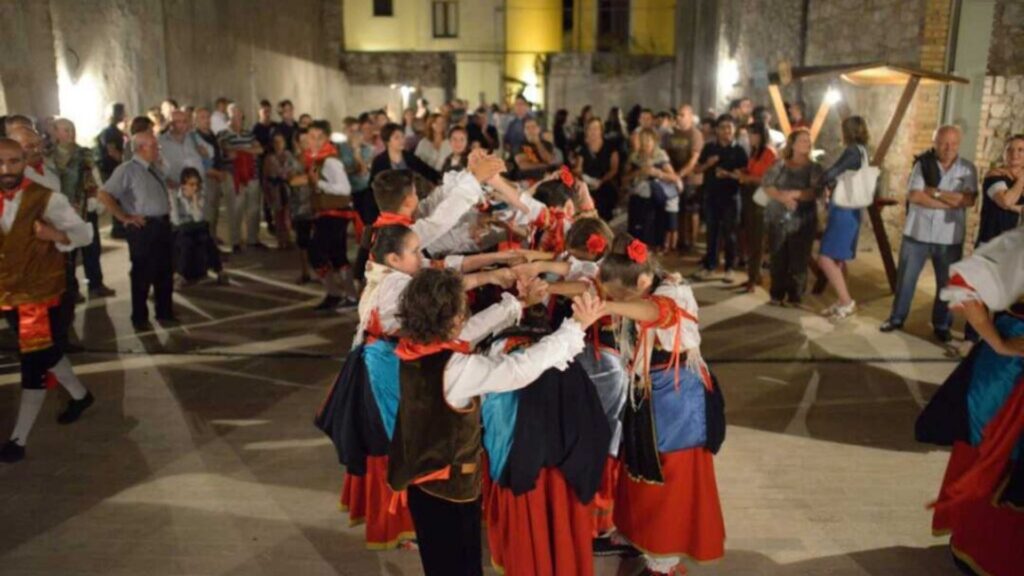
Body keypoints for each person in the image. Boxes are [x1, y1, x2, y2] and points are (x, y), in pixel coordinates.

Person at [388, 267, 605, 576]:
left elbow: (469, 331)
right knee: (459, 568)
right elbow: (519, 369)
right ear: (451, 320)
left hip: (421, 480)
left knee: (441, 564)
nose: (465, 318)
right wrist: (575, 327)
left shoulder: (415, 344)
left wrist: (516, 304)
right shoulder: (456, 369)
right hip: (449, 489)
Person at [598, 234, 726, 576]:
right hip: (650, 392)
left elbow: (654, 312)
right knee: (641, 469)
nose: (615, 300)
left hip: (678, 401)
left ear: (641, 281)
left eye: (620, 295)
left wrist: (609, 307)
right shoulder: (639, 281)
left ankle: (665, 560)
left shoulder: (671, 295)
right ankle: (642, 540)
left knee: (670, 479)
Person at [916, 226, 1024, 576]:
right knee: (995, 452)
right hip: (1006, 373)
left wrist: (996, 340)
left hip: (1009, 367)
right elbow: (972, 284)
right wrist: (997, 339)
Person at [0, 137, 95, 464]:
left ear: (24, 160)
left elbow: (85, 233)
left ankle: (18, 439)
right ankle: (81, 396)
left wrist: (54, 235)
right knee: (48, 353)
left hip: (39, 299)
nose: (6, 170)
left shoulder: (47, 198)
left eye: (13, 161)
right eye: (0, 162)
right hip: (8, 296)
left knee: (33, 363)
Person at [881, 126, 978, 342]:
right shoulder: (922, 165)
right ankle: (896, 318)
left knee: (947, 284)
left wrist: (934, 192)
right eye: (943, 143)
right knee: (905, 280)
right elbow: (915, 195)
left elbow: (968, 200)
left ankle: (942, 324)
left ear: (959, 143)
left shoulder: (967, 169)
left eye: (953, 143)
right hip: (917, 233)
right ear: (935, 143)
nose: (948, 148)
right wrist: (950, 202)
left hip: (949, 238)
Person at [98, 131, 178, 329]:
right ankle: (140, 317)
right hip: (144, 228)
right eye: (154, 146)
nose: (157, 150)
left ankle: (164, 312)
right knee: (142, 272)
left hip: (161, 225)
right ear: (141, 148)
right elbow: (104, 194)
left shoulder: (154, 169)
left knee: (164, 270)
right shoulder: (127, 170)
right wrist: (124, 217)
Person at [291, 120, 356, 311]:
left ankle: (338, 293)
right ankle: (344, 295)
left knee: (316, 252)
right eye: (312, 137)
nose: (315, 141)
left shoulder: (330, 161)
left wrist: (319, 184)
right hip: (327, 213)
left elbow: (345, 188)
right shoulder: (316, 159)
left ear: (327, 139)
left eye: (319, 138)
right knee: (337, 256)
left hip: (334, 214)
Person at [50, 119, 116, 299]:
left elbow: (95, 179)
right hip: (62, 211)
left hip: (86, 208)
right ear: (55, 133)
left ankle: (96, 284)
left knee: (91, 248)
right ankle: (71, 289)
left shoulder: (85, 154)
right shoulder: (49, 157)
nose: (70, 133)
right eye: (65, 130)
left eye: (72, 129)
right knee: (68, 252)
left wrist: (97, 200)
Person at [762, 128, 823, 306]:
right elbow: (767, 184)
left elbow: (815, 191)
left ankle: (795, 296)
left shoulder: (814, 168)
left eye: (808, 141)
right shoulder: (780, 164)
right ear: (793, 144)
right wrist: (783, 197)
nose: (807, 144)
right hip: (778, 217)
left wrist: (795, 194)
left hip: (803, 218)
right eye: (803, 140)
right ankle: (776, 294)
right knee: (778, 256)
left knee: (799, 258)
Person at [818, 116, 871, 320]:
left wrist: (822, 177)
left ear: (846, 131)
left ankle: (847, 301)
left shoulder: (852, 151)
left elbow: (833, 172)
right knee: (837, 258)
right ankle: (842, 300)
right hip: (852, 208)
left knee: (825, 258)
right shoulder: (864, 151)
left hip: (844, 209)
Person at [693, 115, 748, 281]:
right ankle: (709, 265)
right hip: (711, 195)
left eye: (730, 127)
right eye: (723, 127)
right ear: (717, 130)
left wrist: (729, 174)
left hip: (731, 197)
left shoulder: (739, 150)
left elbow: (745, 175)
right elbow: (696, 169)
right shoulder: (709, 148)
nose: (727, 131)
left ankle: (729, 267)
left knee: (730, 233)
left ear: (734, 130)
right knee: (712, 232)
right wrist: (708, 164)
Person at [729, 122, 777, 293]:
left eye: (752, 135)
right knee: (749, 237)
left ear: (761, 135)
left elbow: (768, 178)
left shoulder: (769, 153)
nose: (749, 138)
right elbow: (753, 171)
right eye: (748, 135)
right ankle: (754, 275)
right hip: (749, 197)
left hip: (760, 199)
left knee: (757, 239)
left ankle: (753, 278)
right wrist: (743, 172)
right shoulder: (755, 152)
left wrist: (746, 177)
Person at [218, 103, 265, 252]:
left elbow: (260, 149)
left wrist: (241, 150)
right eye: (234, 115)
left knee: (254, 208)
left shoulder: (248, 133)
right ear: (229, 116)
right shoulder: (223, 134)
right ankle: (235, 241)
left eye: (240, 115)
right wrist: (248, 150)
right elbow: (227, 151)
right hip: (233, 177)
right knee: (235, 208)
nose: (238, 118)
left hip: (252, 175)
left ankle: (253, 239)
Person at [625, 127, 680, 251]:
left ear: (654, 141)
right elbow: (624, 179)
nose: (645, 144)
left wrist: (657, 173)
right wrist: (639, 172)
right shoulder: (634, 157)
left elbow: (673, 177)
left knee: (653, 229)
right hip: (638, 198)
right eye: (642, 140)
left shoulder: (660, 156)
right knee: (637, 230)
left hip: (655, 199)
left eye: (648, 140)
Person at [171, 167, 227, 285]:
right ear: (183, 185)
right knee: (186, 240)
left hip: (194, 228)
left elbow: (198, 218)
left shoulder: (199, 195)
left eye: (197, 184)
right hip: (179, 230)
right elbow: (176, 219)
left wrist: (195, 201)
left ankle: (219, 270)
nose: (195, 188)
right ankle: (180, 274)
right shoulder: (174, 196)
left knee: (206, 238)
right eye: (191, 184)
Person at [662, 105, 705, 253]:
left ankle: (691, 241)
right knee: (677, 210)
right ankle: (681, 240)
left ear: (690, 116)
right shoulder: (670, 134)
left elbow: (693, 160)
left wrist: (679, 175)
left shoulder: (695, 134)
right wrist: (671, 174)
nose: (678, 118)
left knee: (691, 211)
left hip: (691, 179)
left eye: (682, 115)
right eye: (677, 115)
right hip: (673, 176)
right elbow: (665, 154)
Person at [975, 134, 1024, 246]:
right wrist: (1021, 180)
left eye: (1020, 150)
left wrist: (1012, 207)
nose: (1014, 154)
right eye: (1009, 149)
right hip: (991, 243)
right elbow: (1005, 201)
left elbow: (1008, 205)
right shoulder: (994, 175)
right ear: (1004, 153)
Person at [194, 107, 232, 245]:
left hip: (215, 178)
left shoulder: (212, 135)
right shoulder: (195, 138)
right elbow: (201, 162)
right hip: (206, 179)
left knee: (214, 212)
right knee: (207, 214)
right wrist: (217, 173)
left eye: (208, 117)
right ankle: (208, 247)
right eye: (203, 117)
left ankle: (212, 241)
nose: (207, 120)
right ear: (196, 121)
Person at [573, 117, 620, 222]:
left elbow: (614, 169)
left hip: (605, 181)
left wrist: (601, 181)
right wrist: (584, 179)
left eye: (596, 128)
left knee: (605, 196)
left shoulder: (611, 147)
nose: (593, 132)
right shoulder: (583, 148)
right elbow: (578, 169)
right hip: (587, 183)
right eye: (591, 129)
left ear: (601, 130)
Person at [514, 117, 558, 182]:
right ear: (524, 131)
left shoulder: (547, 144)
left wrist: (537, 143)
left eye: (533, 127)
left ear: (538, 129)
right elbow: (523, 165)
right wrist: (544, 165)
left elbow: (548, 160)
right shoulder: (519, 145)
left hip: (546, 178)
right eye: (527, 128)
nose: (530, 130)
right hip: (526, 179)